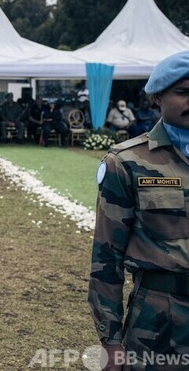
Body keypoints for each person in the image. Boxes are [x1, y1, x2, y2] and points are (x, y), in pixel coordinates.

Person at [89, 49, 189, 368]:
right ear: (158, 97)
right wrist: (110, 340)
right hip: (160, 319)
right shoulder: (127, 162)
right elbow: (107, 256)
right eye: (183, 92)